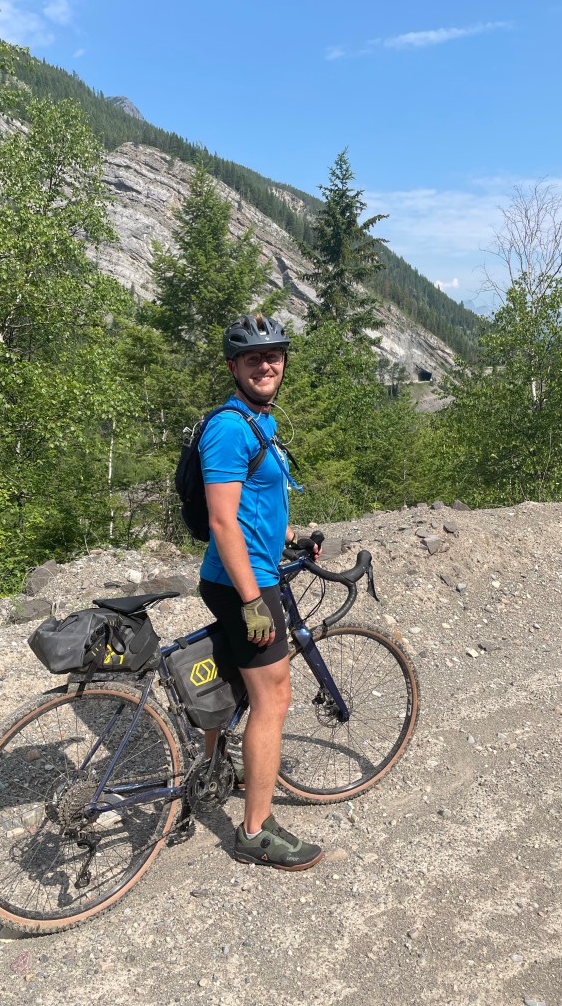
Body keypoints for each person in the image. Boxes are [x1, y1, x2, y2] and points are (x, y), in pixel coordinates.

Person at [198, 312, 323, 871]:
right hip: (243, 581)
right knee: (274, 699)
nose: (266, 365)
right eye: (253, 358)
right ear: (234, 367)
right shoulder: (230, 428)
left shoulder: (258, 420)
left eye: (273, 356)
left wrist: (289, 536)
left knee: (235, 680)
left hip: (241, 573)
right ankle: (254, 831)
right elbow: (223, 521)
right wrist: (252, 600)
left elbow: (253, 505)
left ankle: (211, 770)